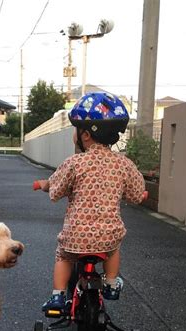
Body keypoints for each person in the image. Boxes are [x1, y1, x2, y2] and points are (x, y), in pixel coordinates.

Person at [35, 91, 145, 311]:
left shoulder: (74, 163)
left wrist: (44, 185)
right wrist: (141, 195)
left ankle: (57, 296)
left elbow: (56, 190)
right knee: (113, 250)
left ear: (85, 135)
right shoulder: (124, 165)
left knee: (63, 256)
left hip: (76, 236)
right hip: (108, 236)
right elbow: (135, 194)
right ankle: (112, 283)